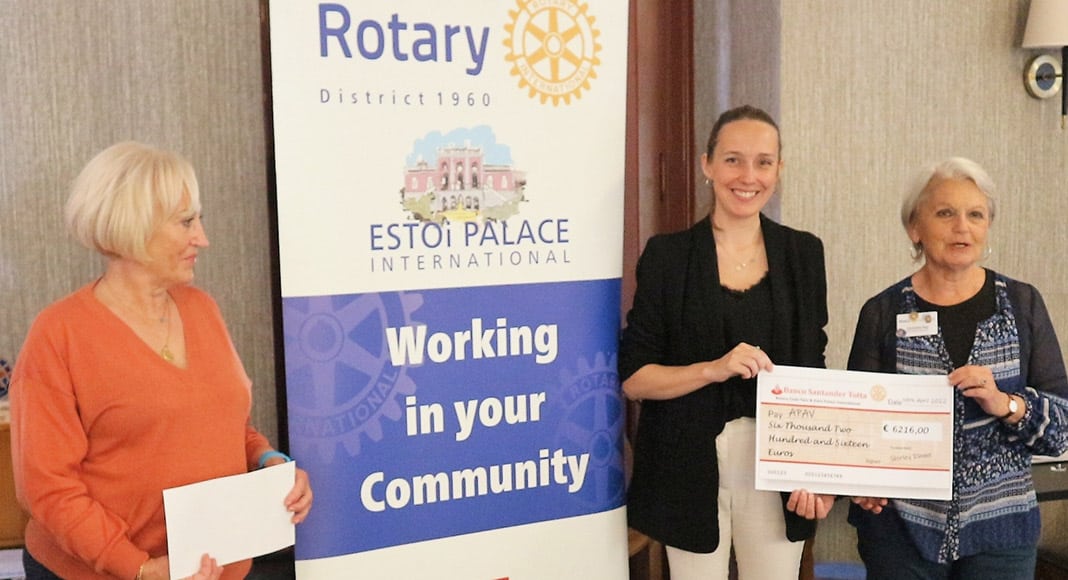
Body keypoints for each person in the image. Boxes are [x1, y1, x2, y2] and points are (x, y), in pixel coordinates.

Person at [10, 141, 313, 580]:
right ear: (134, 226)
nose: (202, 239)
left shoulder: (202, 308)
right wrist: (140, 568)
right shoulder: (58, 335)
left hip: (215, 567)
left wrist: (267, 461)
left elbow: (229, 426)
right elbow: (48, 490)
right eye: (187, 222)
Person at [619, 104, 834, 580]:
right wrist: (712, 368)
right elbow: (635, 380)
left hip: (779, 463)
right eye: (733, 159)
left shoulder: (803, 254)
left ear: (779, 169)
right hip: (686, 464)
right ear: (707, 165)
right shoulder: (667, 257)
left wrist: (818, 469)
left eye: (763, 161)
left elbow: (812, 370)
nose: (748, 175)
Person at [847, 157, 1068, 580]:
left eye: (975, 214)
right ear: (915, 228)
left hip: (1001, 533)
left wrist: (1005, 403)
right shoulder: (882, 312)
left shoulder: (1022, 305)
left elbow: (1062, 426)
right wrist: (862, 484)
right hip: (901, 533)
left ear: (987, 228)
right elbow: (859, 428)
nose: (961, 226)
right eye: (945, 213)